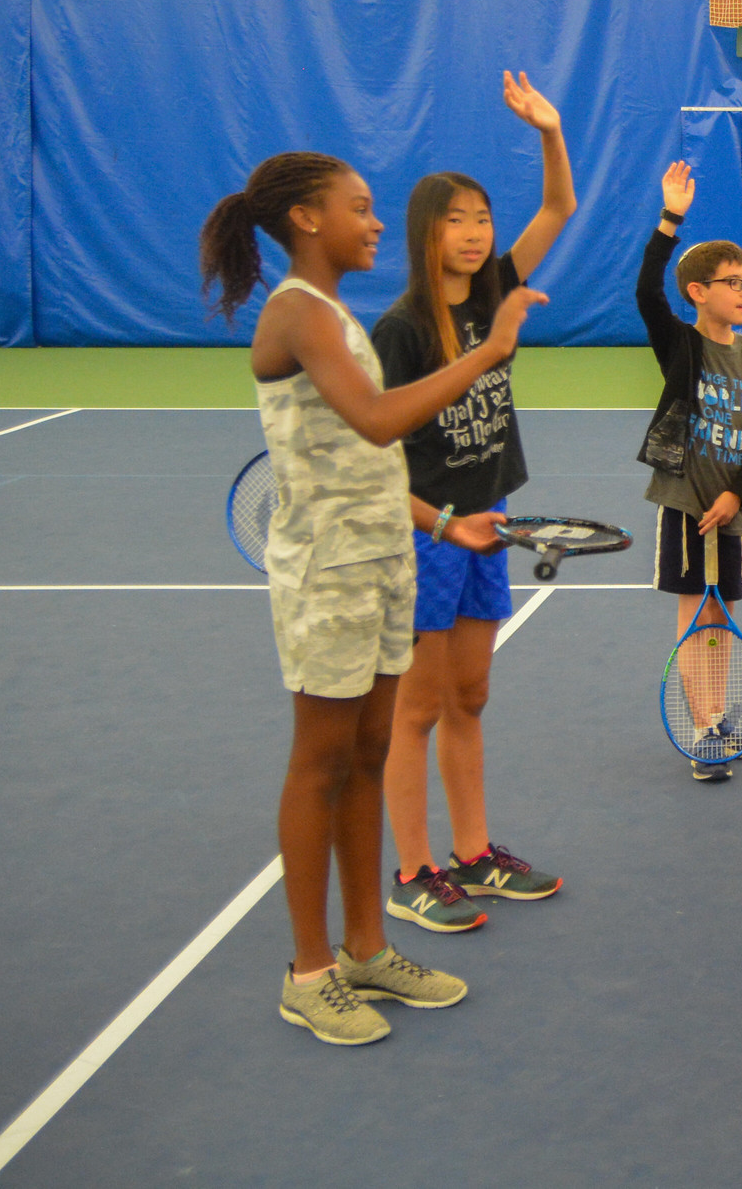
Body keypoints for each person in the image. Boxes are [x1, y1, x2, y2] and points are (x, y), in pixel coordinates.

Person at [199, 151, 543, 1045]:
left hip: (388, 560)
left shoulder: (336, 316)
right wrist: (491, 351)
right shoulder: (296, 314)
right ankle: (308, 972)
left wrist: (440, 524)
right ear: (308, 219)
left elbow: (371, 463)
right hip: (328, 574)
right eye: (359, 207)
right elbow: (381, 421)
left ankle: (365, 947)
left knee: (369, 749)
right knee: (321, 762)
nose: (377, 221)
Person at [372, 72, 574, 933]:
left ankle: (474, 852)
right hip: (428, 534)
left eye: (483, 220)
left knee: (472, 698)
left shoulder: (495, 288)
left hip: (485, 526)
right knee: (415, 708)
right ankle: (413, 871)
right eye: (457, 221)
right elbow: (376, 461)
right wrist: (445, 526)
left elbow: (559, 208)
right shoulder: (400, 332)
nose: (475, 234)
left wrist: (549, 131)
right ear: (425, 232)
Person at [634, 160, 742, 781]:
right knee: (696, 615)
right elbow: (646, 291)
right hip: (687, 507)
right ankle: (702, 731)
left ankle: (719, 717)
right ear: (698, 292)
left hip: (734, 511)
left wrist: (737, 494)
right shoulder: (683, 346)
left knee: (720, 617)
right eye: (732, 282)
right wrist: (670, 219)